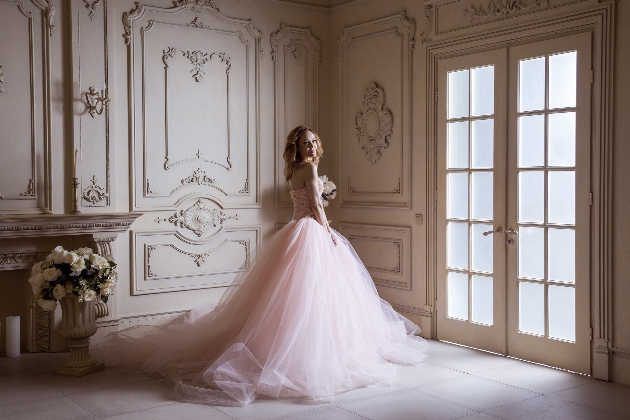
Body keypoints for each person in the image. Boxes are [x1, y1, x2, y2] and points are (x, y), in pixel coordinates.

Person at [95, 125, 428, 406]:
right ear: (296, 148)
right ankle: (306, 354)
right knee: (313, 294)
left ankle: (282, 347)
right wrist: (330, 234)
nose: (311, 145)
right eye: (305, 142)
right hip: (311, 231)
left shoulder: (293, 170)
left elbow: (304, 202)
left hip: (294, 231)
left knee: (290, 296)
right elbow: (315, 206)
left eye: (313, 140)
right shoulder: (310, 169)